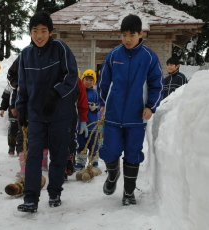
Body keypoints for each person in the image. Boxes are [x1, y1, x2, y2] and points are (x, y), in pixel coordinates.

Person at [98, 14, 164, 206]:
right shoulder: (113, 55)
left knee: (133, 153)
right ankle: (112, 176)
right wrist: (104, 103)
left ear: (140, 34)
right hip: (113, 115)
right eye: (124, 34)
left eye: (131, 35)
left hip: (136, 116)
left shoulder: (149, 57)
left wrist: (150, 106)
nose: (127, 39)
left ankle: (128, 192)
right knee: (110, 150)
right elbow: (103, 83)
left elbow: (156, 85)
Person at [16, 12, 77, 213]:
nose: (39, 36)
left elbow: (71, 75)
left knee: (58, 154)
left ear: (50, 32)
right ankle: (31, 197)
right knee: (33, 155)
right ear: (30, 33)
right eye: (35, 31)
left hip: (59, 113)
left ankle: (55, 192)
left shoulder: (60, 48)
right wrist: (21, 107)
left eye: (43, 31)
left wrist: (55, 93)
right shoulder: (26, 54)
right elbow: (22, 85)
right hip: (35, 114)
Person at [75, 69, 99, 171]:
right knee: (81, 144)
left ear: (94, 82)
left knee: (94, 144)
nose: (88, 82)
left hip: (93, 125)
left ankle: (93, 162)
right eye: (86, 79)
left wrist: (95, 107)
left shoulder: (95, 93)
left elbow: (101, 105)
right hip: (81, 124)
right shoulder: (79, 91)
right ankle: (80, 162)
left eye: (91, 80)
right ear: (82, 79)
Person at [65, 76, 88, 179]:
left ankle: (69, 161)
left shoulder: (76, 80)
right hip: (54, 113)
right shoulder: (53, 74)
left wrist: (83, 120)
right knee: (56, 141)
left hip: (71, 114)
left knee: (70, 139)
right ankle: (59, 166)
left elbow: (82, 101)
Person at [0, 85, 19, 155]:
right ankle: (11, 146)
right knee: (13, 128)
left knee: (23, 129)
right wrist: (3, 109)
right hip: (13, 110)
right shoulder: (10, 86)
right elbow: (5, 98)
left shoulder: (27, 80)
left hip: (24, 110)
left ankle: (21, 148)